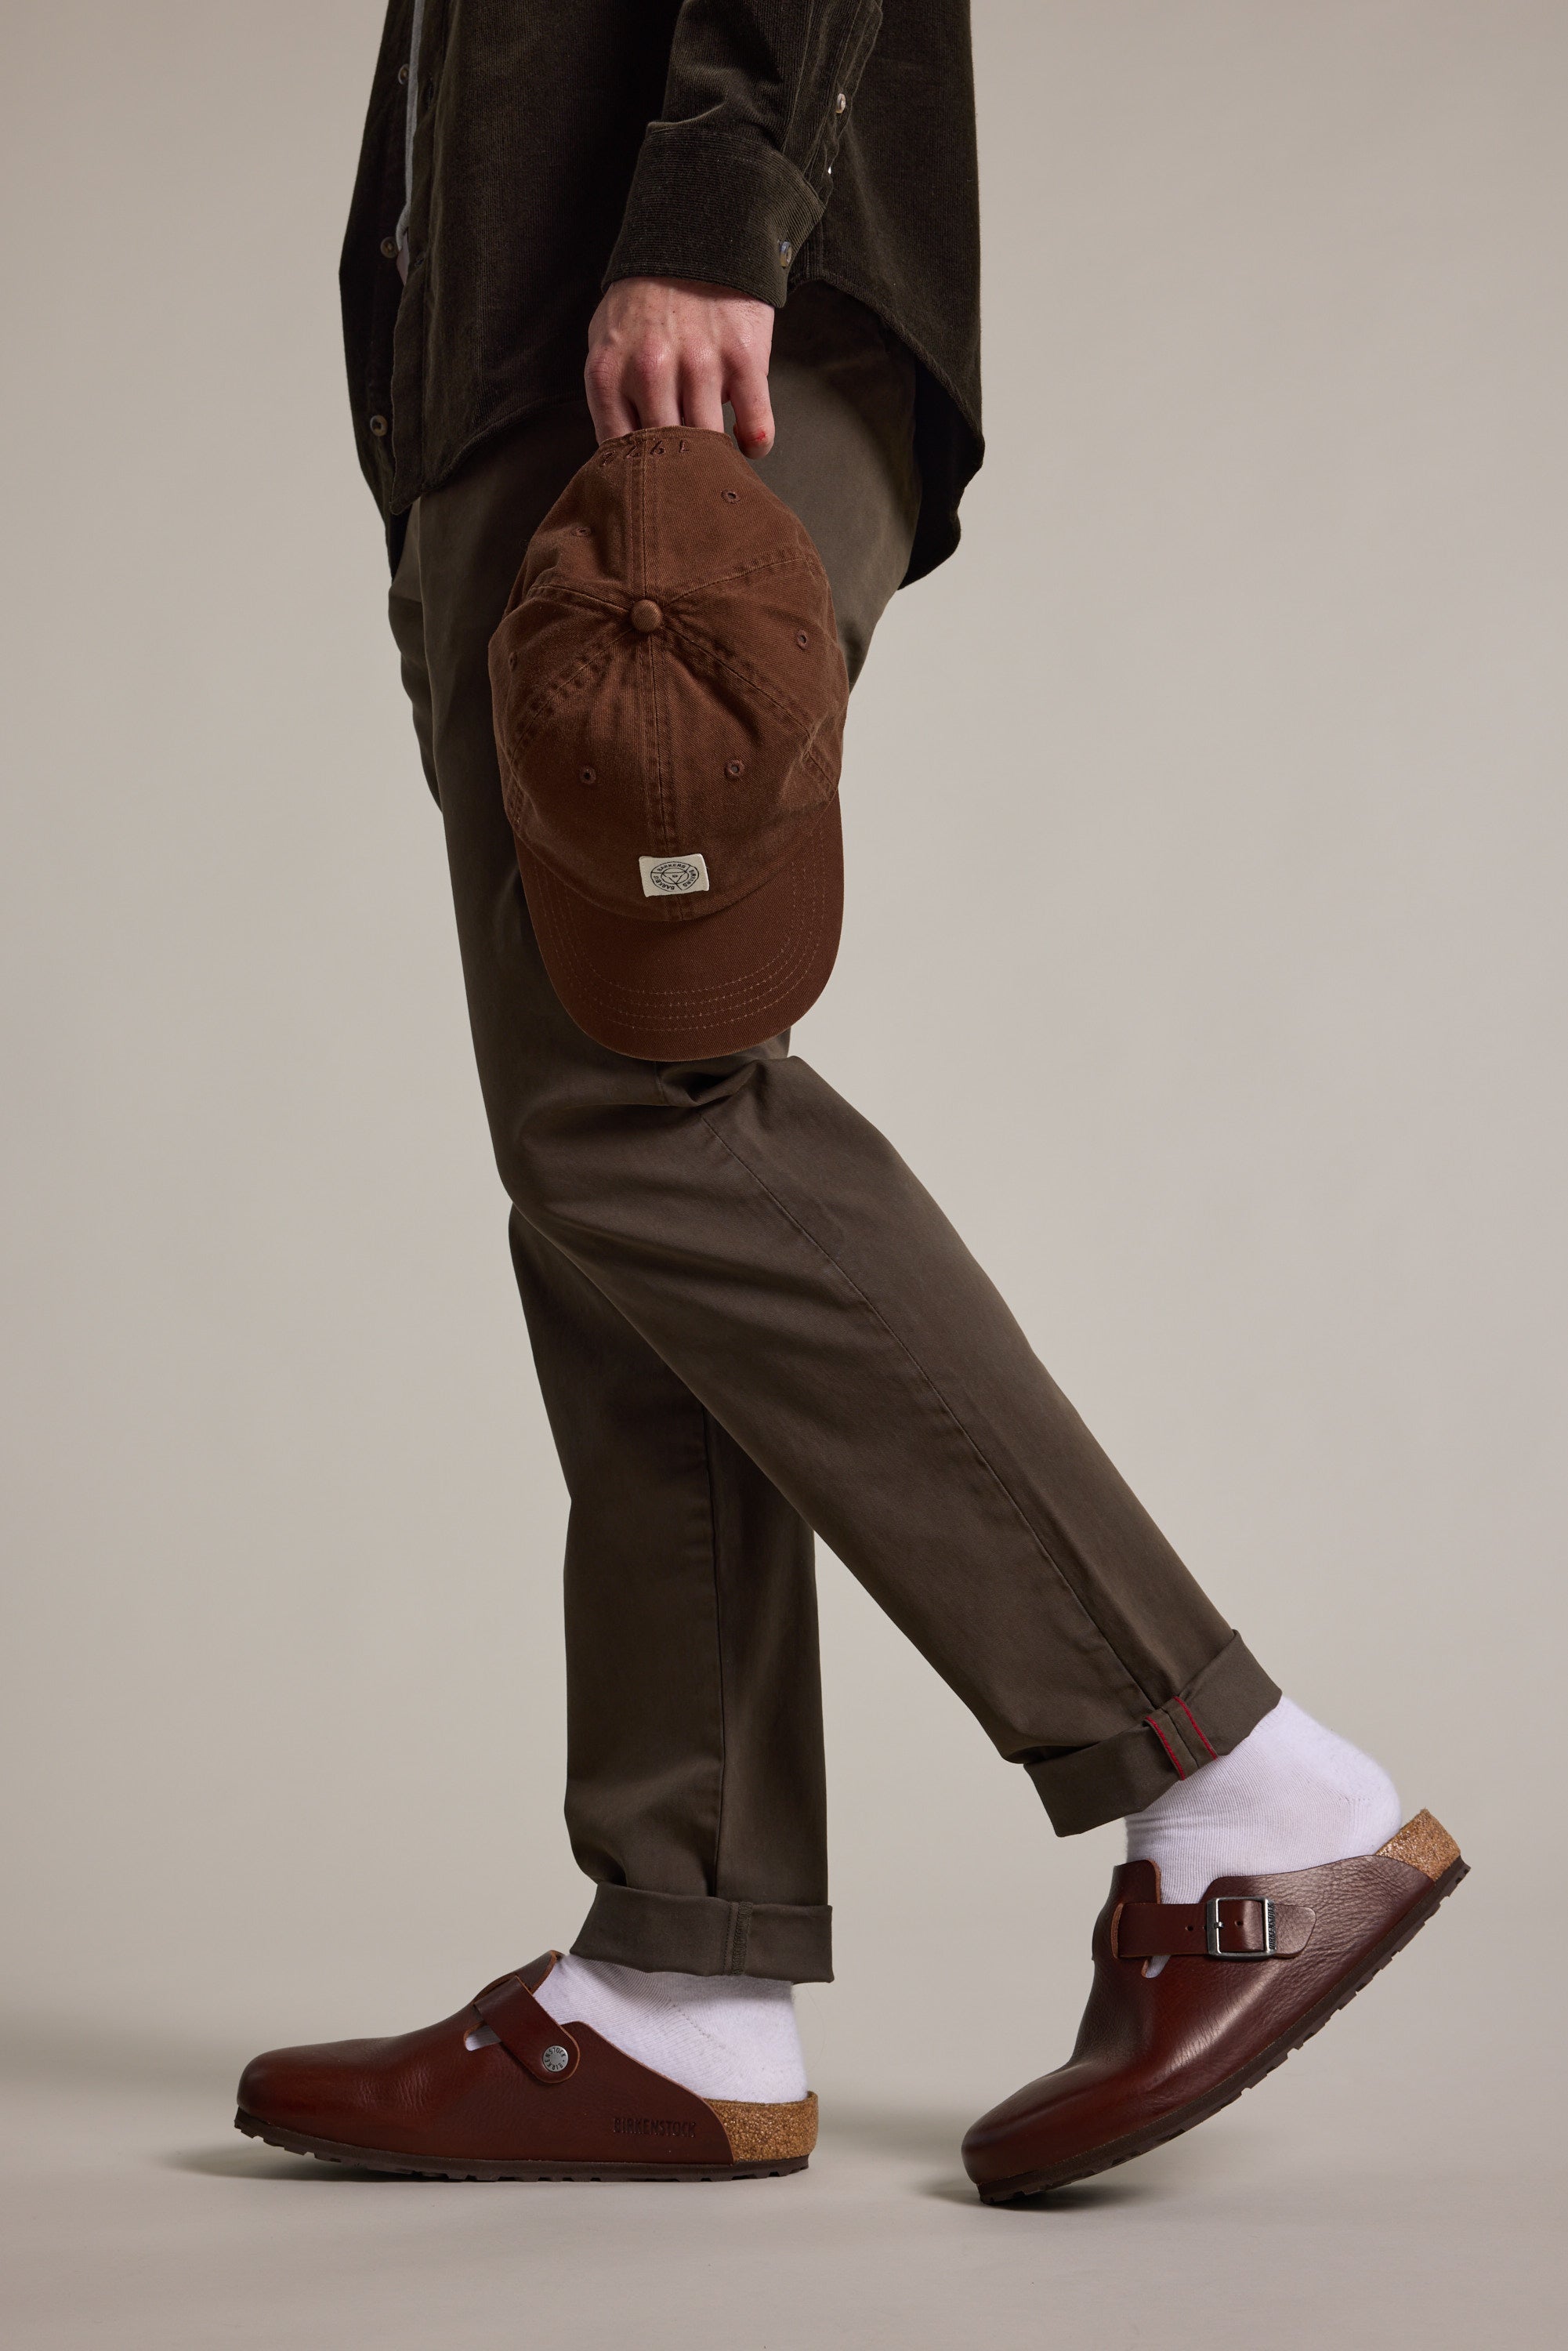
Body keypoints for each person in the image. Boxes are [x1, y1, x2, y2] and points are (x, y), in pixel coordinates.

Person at [234, 3, 1464, 2196]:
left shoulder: (699, 256)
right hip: (502, 363)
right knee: (610, 1173)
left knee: (639, 1111)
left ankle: (1239, 1792)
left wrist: (714, 207)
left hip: (674, 305)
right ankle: (680, 1979)